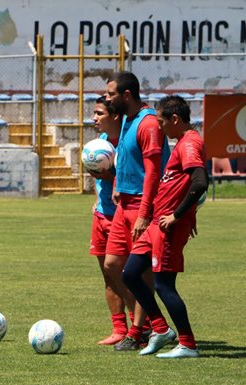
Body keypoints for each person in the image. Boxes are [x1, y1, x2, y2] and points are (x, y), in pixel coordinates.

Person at [122, 95, 207, 358]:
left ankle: (188, 344)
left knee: (163, 285)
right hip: (157, 224)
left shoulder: (190, 143)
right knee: (131, 273)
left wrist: (178, 216)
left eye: (162, 122)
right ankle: (160, 329)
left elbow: (200, 182)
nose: (160, 127)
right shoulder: (181, 142)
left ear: (175, 119)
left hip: (168, 226)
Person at [104, 71, 170, 351]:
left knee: (141, 274)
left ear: (127, 95)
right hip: (124, 204)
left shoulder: (148, 123)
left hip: (145, 206)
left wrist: (145, 214)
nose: (107, 99)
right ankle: (148, 323)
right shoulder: (127, 121)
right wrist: (118, 183)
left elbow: (154, 171)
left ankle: (137, 331)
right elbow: (122, 157)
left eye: (111, 94)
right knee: (111, 265)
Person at [88, 96, 126, 345]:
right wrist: (96, 200)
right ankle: (119, 329)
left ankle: (141, 327)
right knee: (108, 275)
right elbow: (97, 177)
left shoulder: (126, 143)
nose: (94, 118)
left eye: (99, 113)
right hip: (101, 215)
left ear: (114, 116)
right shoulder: (99, 143)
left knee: (128, 275)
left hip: (123, 217)